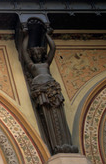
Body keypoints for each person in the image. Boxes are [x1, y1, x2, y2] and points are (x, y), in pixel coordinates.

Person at [21, 24, 78, 154]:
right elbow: (24, 51)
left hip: (51, 88)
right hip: (40, 90)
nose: (36, 55)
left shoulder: (45, 64)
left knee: (56, 113)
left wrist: (47, 35)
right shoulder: (31, 66)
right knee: (47, 114)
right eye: (34, 53)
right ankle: (57, 145)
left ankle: (64, 144)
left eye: (38, 53)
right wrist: (26, 36)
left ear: (41, 54)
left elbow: (53, 48)